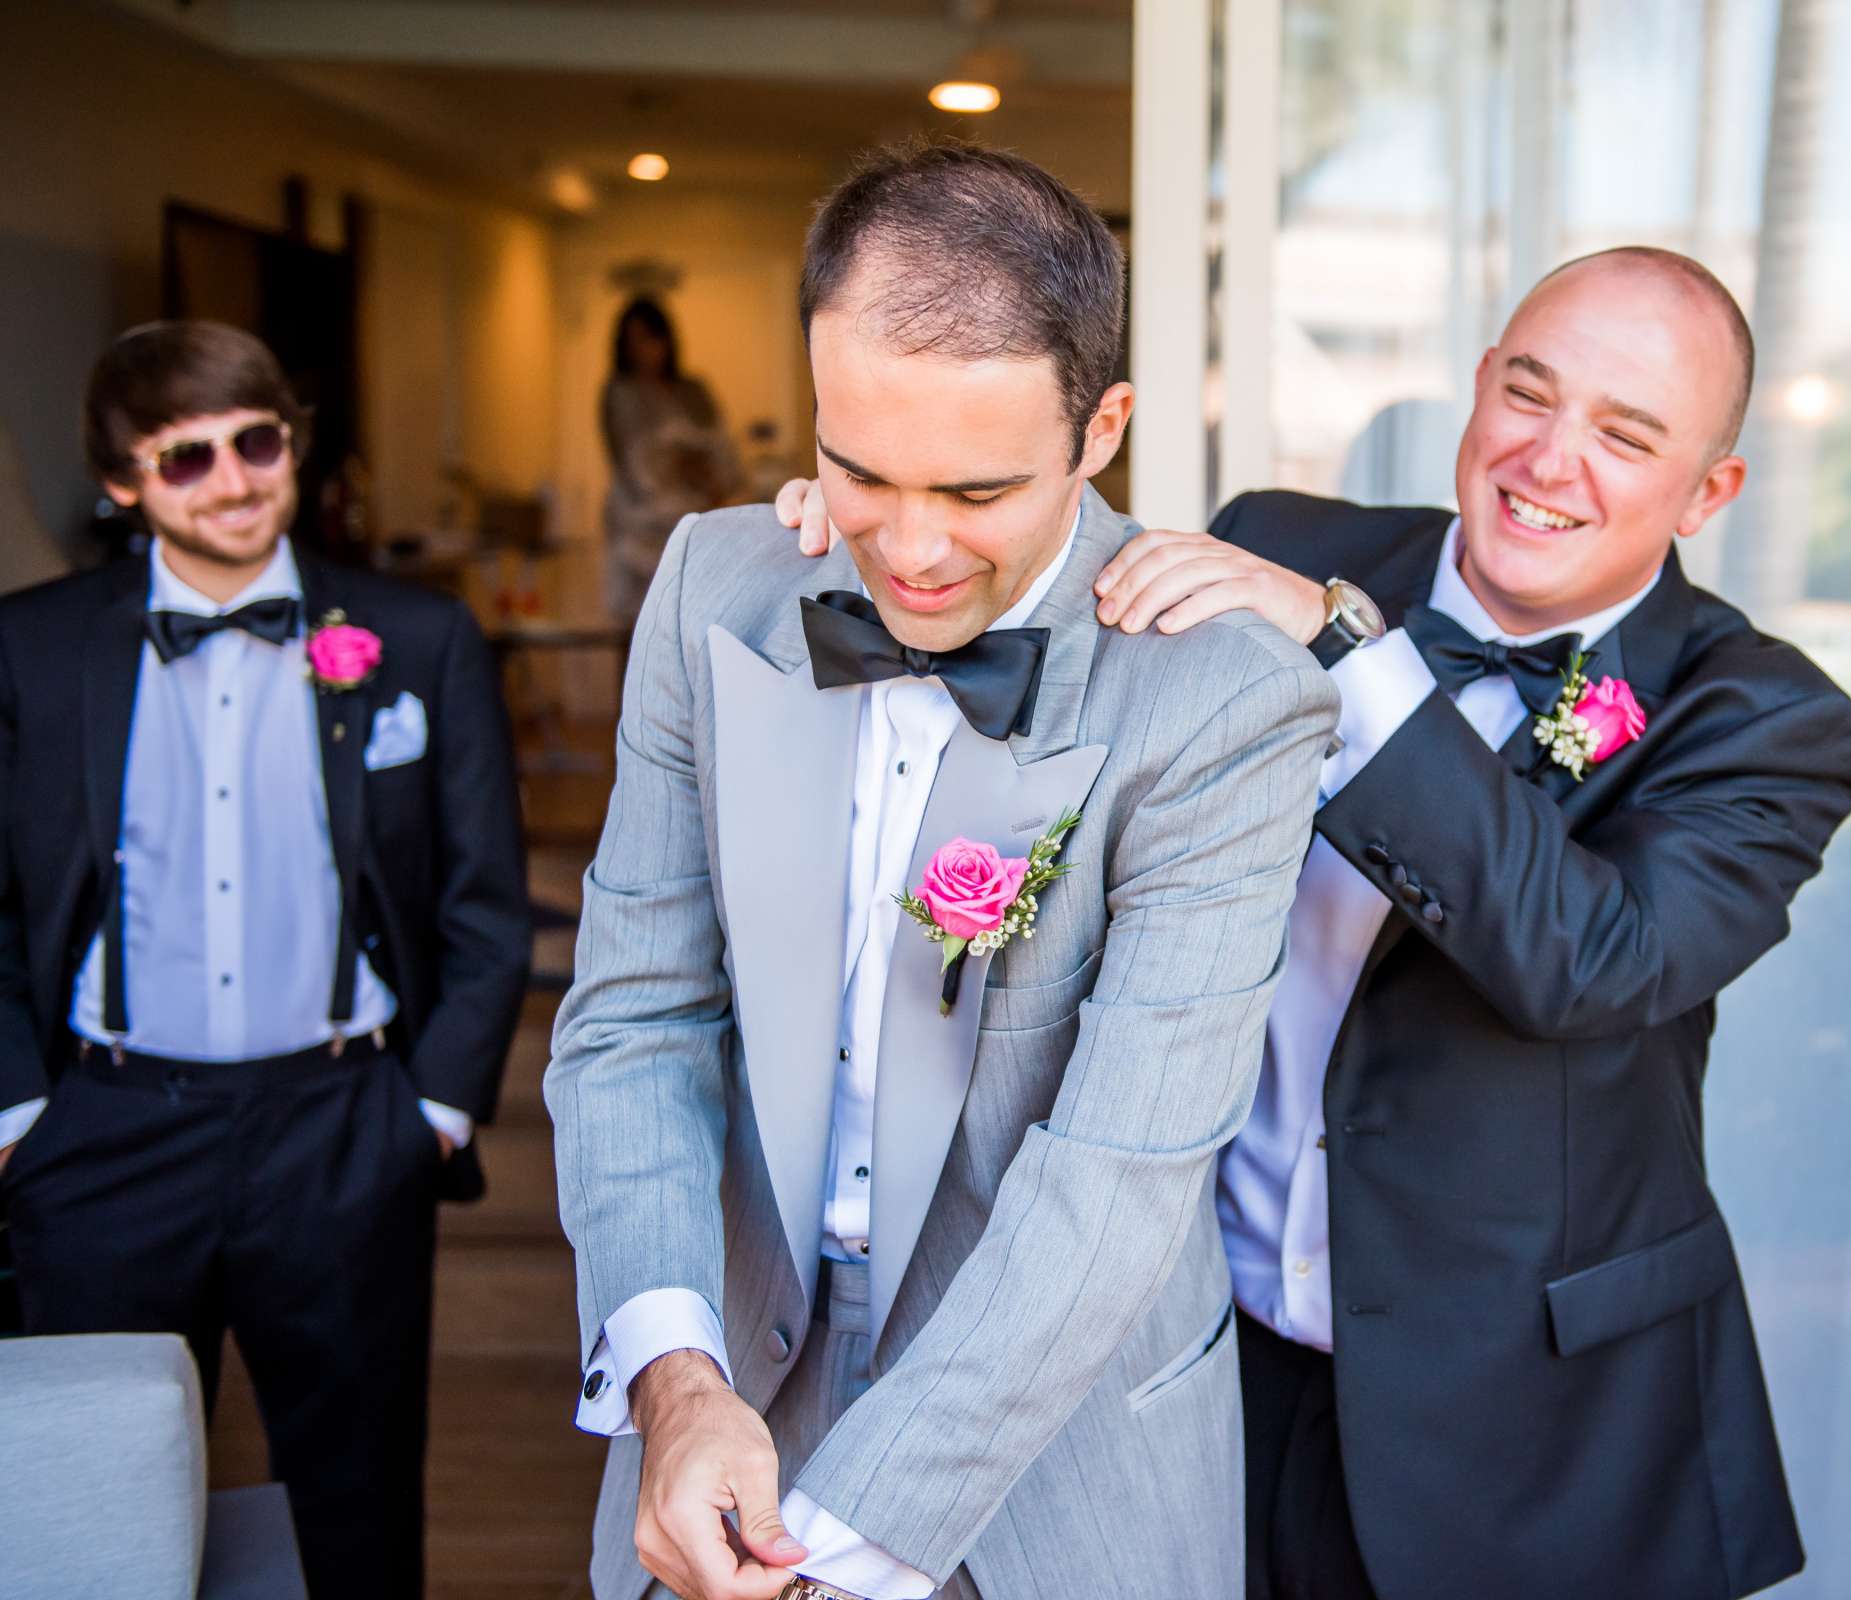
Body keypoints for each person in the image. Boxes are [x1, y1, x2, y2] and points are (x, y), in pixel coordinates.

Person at [782, 246, 1851, 1598]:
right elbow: (1037, 649)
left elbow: (1588, 962)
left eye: (1625, 435)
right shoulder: (1279, 538)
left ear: (1708, 489)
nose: (1548, 460)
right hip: (1195, 1372)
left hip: (1532, 1439)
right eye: (1527, 396)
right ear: (1476, 393)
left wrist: (1351, 659)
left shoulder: (1770, 720)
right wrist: (890, 521)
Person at [547, 141, 1336, 1600]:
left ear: (1102, 430)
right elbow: (633, 1020)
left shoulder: (1220, 697)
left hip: (1063, 1461)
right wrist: (670, 1380)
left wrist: (826, 1550)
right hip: (723, 1400)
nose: (907, 551)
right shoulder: (714, 589)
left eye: (974, 490)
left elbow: (1115, 1180)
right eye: (859, 470)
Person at [0, 320, 532, 1599]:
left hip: (344, 1131)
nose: (236, 479)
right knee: (86, 1492)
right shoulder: (34, 647)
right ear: (125, 484)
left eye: (258, 441)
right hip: (104, 1134)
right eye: (188, 459)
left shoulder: (418, 635)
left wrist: (435, 1113)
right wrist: (23, 1113)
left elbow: (485, 901)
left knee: (356, 1504)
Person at [602, 296, 742, 619]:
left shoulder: (693, 390)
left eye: (649, 339)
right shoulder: (620, 394)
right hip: (641, 529)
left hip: (696, 520)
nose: (643, 351)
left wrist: (703, 476)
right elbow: (634, 466)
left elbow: (723, 455)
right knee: (641, 625)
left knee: (695, 619)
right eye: (633, 343)